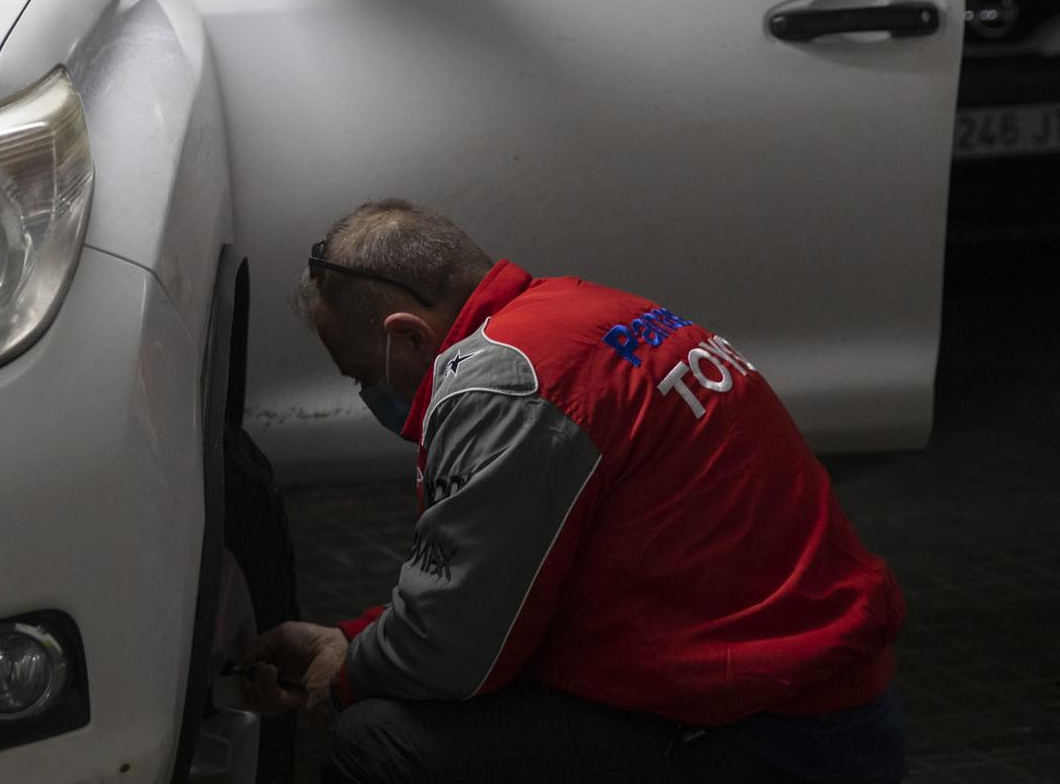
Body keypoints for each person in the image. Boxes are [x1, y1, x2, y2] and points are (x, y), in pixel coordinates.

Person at [246, 199, 907, 784]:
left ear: (407, 335)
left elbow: (456, 652)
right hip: (821, 702)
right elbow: (507, 589)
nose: (373, 397)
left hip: (777, 741)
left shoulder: (503, 384)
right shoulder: (586, 314)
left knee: (377, 742)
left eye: (366, 375)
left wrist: (343, 673)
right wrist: (352, 637)